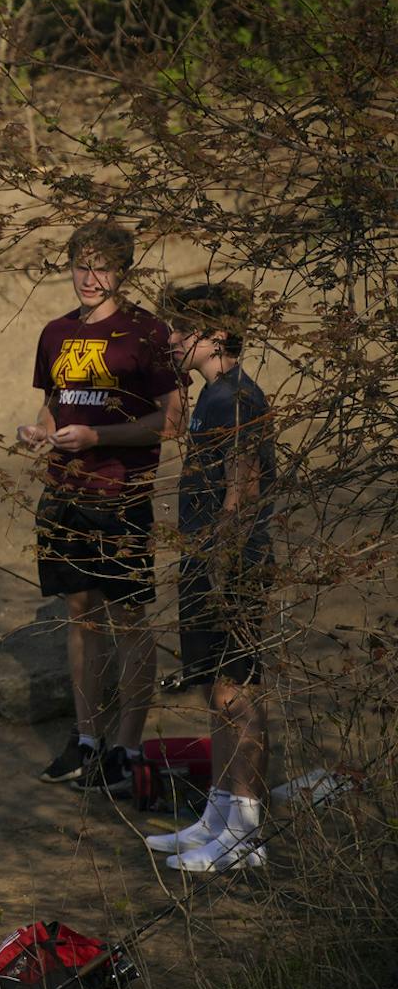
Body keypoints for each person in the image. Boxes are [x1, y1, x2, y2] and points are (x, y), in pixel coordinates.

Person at [17, 222, 186, 796]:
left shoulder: (147, 332)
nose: (91, 278)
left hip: (122, 494)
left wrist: (99, 438)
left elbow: (171, 420)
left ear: (123, 271)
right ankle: (87, 739)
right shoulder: (55, 332)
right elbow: (53, 405)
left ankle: (127, 747)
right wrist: (40, 433)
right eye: (81, 265)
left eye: (104, 267)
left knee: (130, 616)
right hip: (65, 494)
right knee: (80, 612)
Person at [146, 284, 276, 871]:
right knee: (214, 691)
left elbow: (242, 492)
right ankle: (219, 815)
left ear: (216, 335)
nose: (172, 338)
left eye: (182, 329)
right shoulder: (209, 395)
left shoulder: (238, 400)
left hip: (232, 564)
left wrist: (219, 565)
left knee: (236, 692)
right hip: (206, 560)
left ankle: (246, 830)